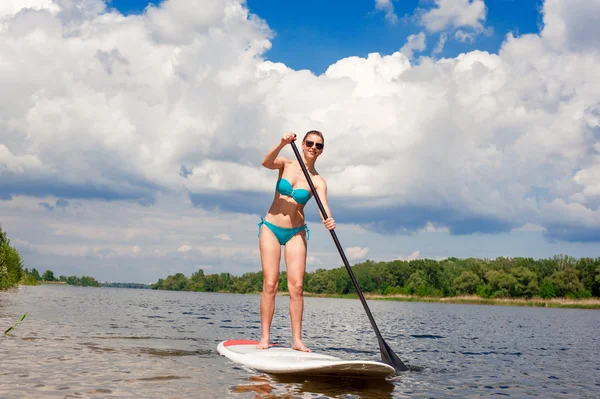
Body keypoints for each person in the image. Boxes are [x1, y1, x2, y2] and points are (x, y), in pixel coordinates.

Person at [257, 130, 336, 352]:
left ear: (321, 151)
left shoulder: (318, 181)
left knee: (297, 287)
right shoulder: (286, 163)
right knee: (270, 284)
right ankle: (265, 337)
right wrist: (281, 143)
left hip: (296, 232)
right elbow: (266, 162)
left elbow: (324, 208)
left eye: (318, 145)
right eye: (310, 143)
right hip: (271, 228)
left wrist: (328, 220)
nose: (313, 147)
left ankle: (297, 341)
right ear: (302, 144)